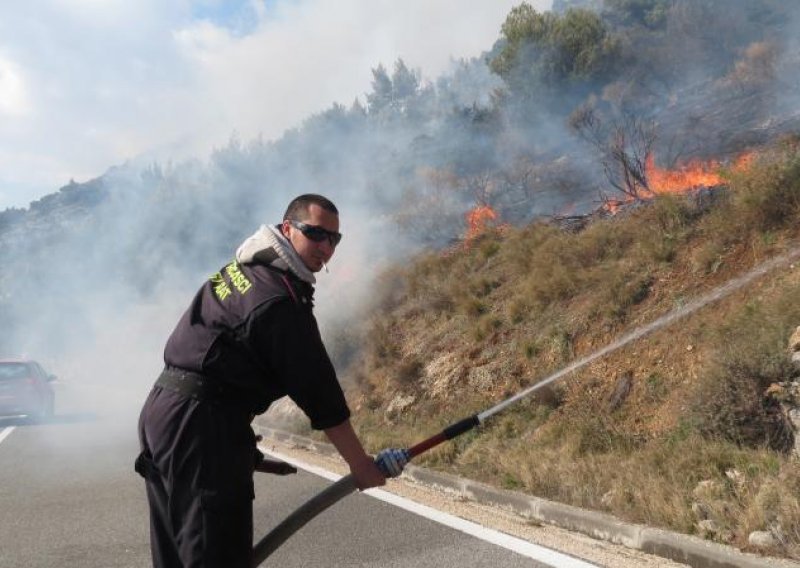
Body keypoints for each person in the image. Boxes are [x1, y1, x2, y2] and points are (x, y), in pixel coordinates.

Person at [135, 194, 407, 567]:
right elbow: (321, 395)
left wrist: (235, 446)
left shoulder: (244, 272)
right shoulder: (277, 300)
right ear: (286, 229)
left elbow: (217, 359)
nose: (326, 247)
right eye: (315, 234)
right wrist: (360, 465)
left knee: (176, 555)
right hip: (199, 425)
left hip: (168, 414)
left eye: (334, 239)